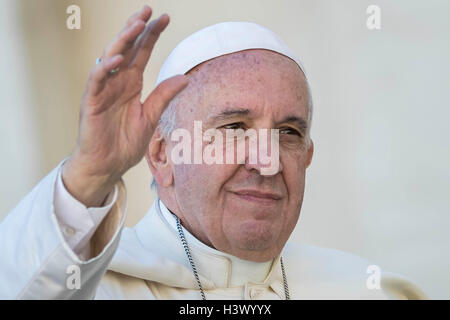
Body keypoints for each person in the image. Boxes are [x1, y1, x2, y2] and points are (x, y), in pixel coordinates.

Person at [0, 5, 426, 299]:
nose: (267, 161)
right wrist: (90, 174)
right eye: (234, 128)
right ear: (163, 155)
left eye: (288, 132)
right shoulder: (85, 286)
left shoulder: (367, 289)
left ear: (308, 157)